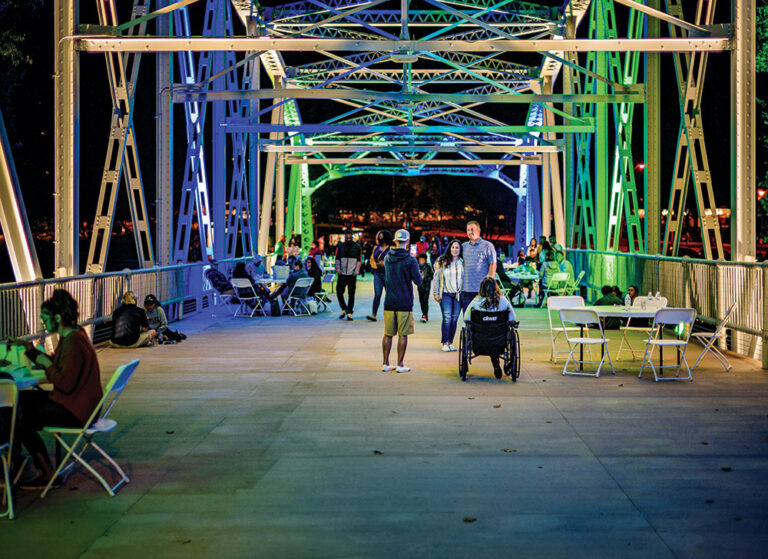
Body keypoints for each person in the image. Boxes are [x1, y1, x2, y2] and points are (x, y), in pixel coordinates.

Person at [6, 289, 103, 488]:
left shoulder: (73, 343)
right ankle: (20, 462)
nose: (43, 324)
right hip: (80, 405)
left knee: (18, 413)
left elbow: (65, 382)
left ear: (57, 317)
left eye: (44, 319)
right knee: (20, 400)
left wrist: (44, 363)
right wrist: (32, 352)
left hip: (74, 410)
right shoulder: (75, 334)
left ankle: (45, 472)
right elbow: (63, 367)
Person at [382, 229, 422, 373]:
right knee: (402, 334)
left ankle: (385, 364)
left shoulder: (387, 258)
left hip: (389, 301)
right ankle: (400, 364)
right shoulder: (411, 260)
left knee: (388, 333)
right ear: (408, 241)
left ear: (395, 241)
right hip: (404, 301)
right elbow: (418, 281)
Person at [463, 277, 517, 379]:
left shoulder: (477, 301)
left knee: (486, 332)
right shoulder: (503, 301)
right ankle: (496, 360)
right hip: (500, 341)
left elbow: (466, 318)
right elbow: (513, 318)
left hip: (479, 341)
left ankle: (495, 361)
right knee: (497, 333)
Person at [432, 239, 464, 351]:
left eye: (457, 248)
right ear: (449, 248)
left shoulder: (463, 262)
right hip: (445, 293)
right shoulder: (442, 261)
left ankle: (450, 342)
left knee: (454, 319)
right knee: (447, 318)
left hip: (458, 295)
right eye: (453, 247)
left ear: (460, 250)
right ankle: (444, 342)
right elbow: (436, 278)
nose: (455, 250)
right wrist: (435, 293)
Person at [460, 220, 497, 313]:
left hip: (482, 290)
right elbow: (451, 258)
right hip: (466, 289)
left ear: (479, 230)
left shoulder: (488, 246)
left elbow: (493, 263)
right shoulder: (463, 246)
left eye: (472, 229)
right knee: (467, 318)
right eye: (468, 230)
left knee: (482, 318)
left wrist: (489, 283)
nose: (470, 232)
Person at [335, 228, 362, 320]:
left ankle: (349, 312)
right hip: (342, 274)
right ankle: (344, 308)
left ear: (352, 236)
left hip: (352, 274)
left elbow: (359, 260)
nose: (348, 238)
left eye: (350, 236)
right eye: (347, 236)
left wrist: (356, 271)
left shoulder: (357, 247)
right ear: (345, 237)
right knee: (339, 292)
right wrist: (338, 269)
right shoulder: (340, 246)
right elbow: (337, 258)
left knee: (351, 293)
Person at [367, 229, 392, 322]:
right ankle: (374, 314)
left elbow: (393, 262)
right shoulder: (376, 248)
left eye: (381, 236)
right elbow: (372, 260)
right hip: (378, 273)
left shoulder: (391, 249)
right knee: (377, 294)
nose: (379, 238)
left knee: (389, 294)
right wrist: (376, 265)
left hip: (387, 274)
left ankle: (389, 314)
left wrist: (385, 264)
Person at [416, 253, 434, 323]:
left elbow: (432, 276)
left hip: (426, 287)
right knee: (421, 301)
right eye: (420, 260)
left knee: (425, 301)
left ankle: (425, 315)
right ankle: (423, 314)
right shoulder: (417, 267)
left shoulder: (428, 266)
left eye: (422, 260)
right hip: (420, 287)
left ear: (425, 260)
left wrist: (426, 279)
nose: (421, 261)